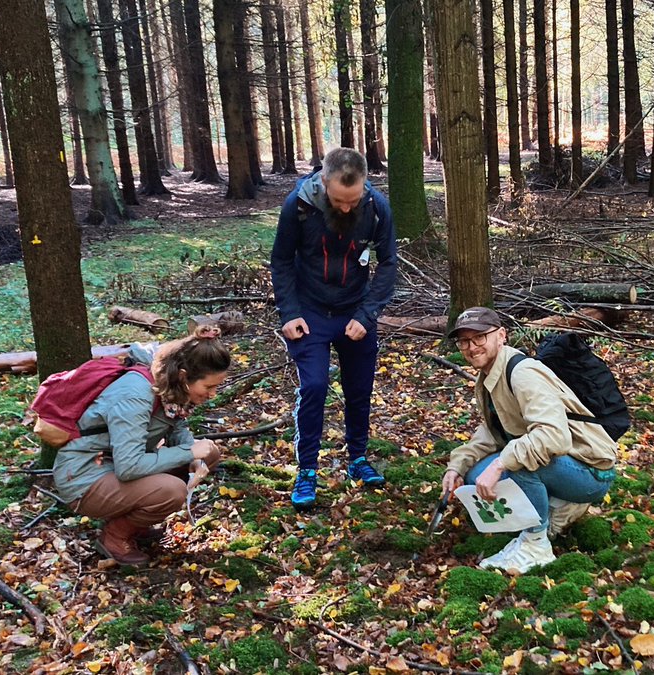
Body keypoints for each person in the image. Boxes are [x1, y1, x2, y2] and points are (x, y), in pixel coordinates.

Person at [440, 307, 617, 574]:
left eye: (479, 338)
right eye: (464, 341)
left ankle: (536, 544)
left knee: (512, 462)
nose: (471, 347)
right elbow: (493, 430)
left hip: (591, 471)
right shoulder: (488, 375)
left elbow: (553, 436)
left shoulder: (523, 373)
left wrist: (501, 464)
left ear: (501, 335)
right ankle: (558, 504)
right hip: (565, 464)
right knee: (475, 474)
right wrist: (457, 466)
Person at [270, 147, 398, 511]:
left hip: (355, 313)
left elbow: (388, 263)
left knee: (359, 390)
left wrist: (368, 314)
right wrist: (289, 312)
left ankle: (357, 459)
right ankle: (307, 469)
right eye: (340, 200)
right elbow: (280, 260)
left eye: (353, 200)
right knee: (314, 386)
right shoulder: (299, 206)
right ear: (324, 182)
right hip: (309, 314)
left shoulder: (375, 207)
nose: (346, 208)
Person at [53, 327, 230, 565]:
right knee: (172, 491)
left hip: (114, 464)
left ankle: (137, 520)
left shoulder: (169, 385)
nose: (213, 394)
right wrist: (187, 452)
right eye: (208, 387)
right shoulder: (135, 394)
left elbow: (176, 427)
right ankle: (115, 537)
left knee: (210, 454)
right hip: (84, 475)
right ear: (184, 376)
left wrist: (195, 457)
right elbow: (129, 467)